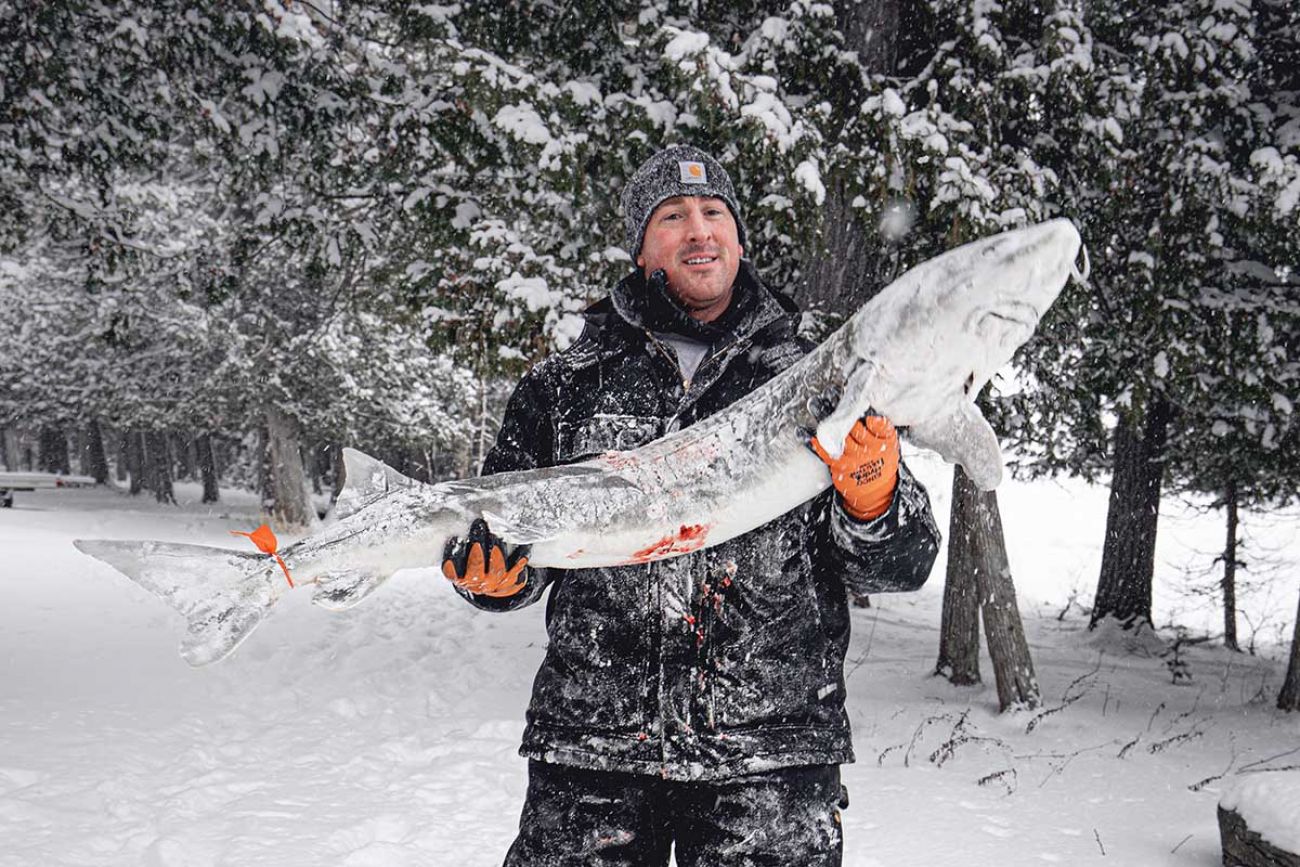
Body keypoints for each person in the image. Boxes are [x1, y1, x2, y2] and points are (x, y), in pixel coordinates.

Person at [440, 145, 942, 867]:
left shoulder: (822, 369)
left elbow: (904, 562)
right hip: (593, 753)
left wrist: (873, 498)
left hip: (770, 757)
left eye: (714, 213)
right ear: (643, 245)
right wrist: (492, 577)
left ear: (739, 238)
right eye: (673, 216)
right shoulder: (565, 385)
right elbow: (506, 545)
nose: (698, 230)